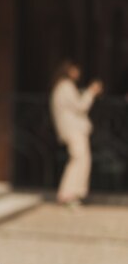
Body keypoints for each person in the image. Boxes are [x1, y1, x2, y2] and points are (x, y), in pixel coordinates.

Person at [50, 60, 103, 207]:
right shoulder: (65, 86)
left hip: (72, 129)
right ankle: (68, 194)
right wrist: (91, 92)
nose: (78, 73)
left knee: (80, 159)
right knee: (80, 159)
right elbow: (80, 106)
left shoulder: (62, 86)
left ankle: (70, 193)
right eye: (75, 69)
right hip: (74, 129)